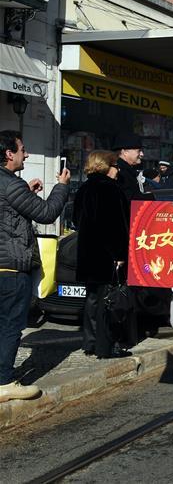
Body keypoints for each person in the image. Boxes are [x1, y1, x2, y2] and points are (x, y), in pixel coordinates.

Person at [0, 131, 70, 403]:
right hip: (9, 270)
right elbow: (46, 213)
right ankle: (4, 382)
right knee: (9, 327)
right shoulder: (10, 184)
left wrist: (26, 192)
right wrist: (61, 186)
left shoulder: (11, 186)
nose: (26, 154)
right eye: (22, 149)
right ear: (9, 154)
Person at [74, 150, 132, 359]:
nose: (118, 170)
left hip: (88, 253)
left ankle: (89, 343)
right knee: (110, 300)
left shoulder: (84, 188)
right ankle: (106, 345)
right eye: (115, 166)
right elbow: (116, 227)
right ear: (106, 166)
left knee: (92, 299)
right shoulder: (111, 189)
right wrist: (119, 254)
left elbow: (75, 220)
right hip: (108, 255)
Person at [112, 133, 154, 201]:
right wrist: (151, 197)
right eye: (139, 151)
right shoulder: (119, 172)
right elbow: (127, 199)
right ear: (125, 152)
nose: (142, 154)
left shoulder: (128, 170)